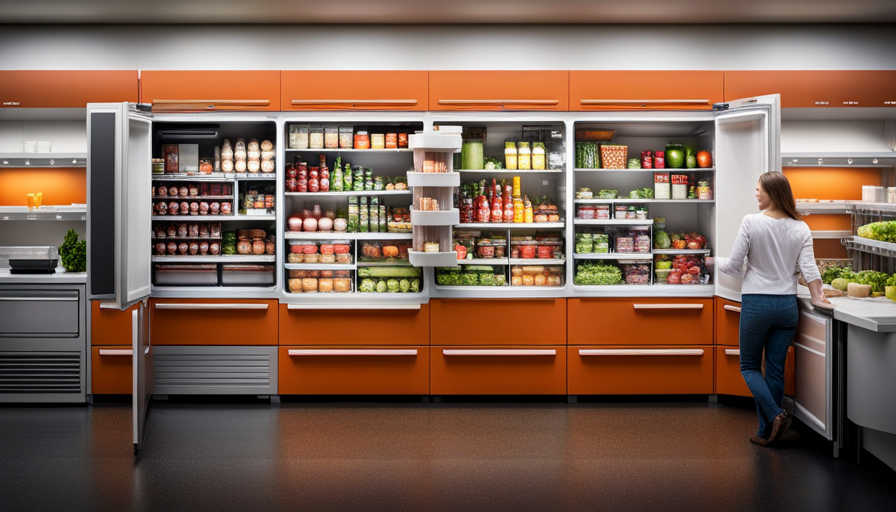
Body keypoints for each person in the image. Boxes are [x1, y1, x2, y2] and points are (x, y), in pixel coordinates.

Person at [708, 172, 831, 447]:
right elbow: (810, 270)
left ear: (773, 193)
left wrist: (712, 260)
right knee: (774, 370)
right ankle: (766, 432)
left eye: (759, 190)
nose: (756, 193)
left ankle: (775, 415)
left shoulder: (751, 222)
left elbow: (734, 266)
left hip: (757, 304)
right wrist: (819, 297)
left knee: (749, 367)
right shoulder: (801, 228)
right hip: (787, 307)